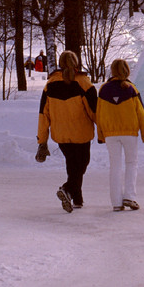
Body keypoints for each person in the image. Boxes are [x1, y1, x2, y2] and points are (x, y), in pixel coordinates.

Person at [36, 50, 97, 213]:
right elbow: (94, 110)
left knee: (72, 165)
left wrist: (42, 140)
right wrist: (105, 131)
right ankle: (68, 189)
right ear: (75, 63)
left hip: (61, 134)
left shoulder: (50, 85)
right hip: (81, 132)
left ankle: (77, 199)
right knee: (81, 165)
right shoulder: (83, 82)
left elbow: (43, 114)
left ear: (60, 64)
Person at [97, 59, 144, 212]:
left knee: (115, 166)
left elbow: (99, 114)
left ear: (112, 71)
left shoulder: (103, 90)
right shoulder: (131, 89)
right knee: (131, 163)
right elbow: (141, 114)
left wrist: (100, 135)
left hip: (110, 134)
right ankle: (130, 196)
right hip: (129, 133)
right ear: (126, 71)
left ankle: (116, 203)